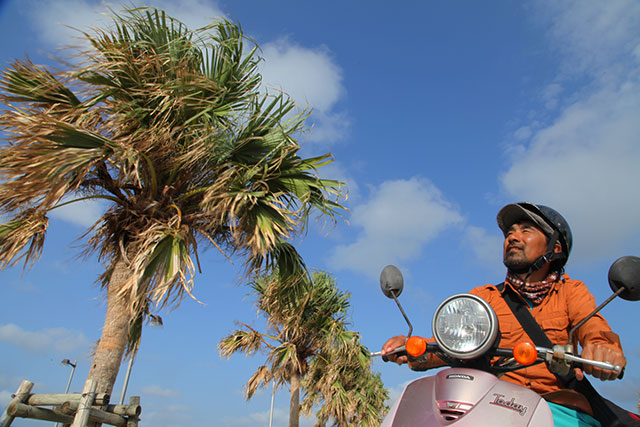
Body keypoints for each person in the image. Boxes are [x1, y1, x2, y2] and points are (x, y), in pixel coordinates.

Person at [382, 202, 626, 427]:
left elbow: (593, 328)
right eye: (509, 233)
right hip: (490, 402)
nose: (513, 237)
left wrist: (603, 348)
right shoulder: (485, 298)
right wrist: (413, 349)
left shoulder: (571, 291)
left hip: (556, 405)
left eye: (526, 230)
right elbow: (455, 344)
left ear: (555, 247)